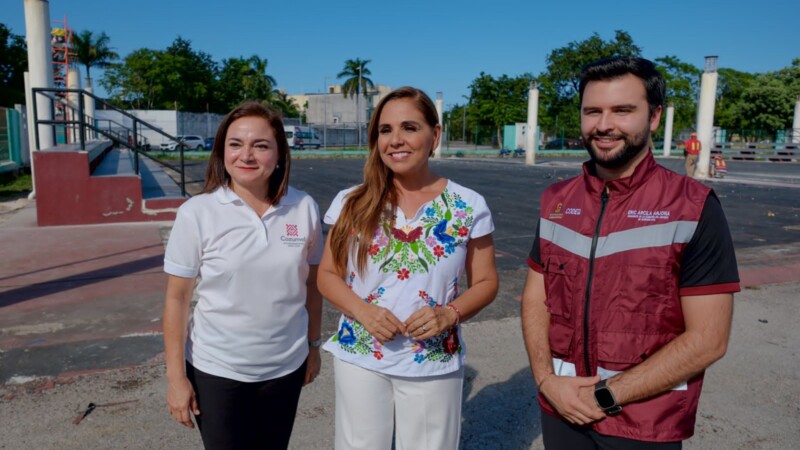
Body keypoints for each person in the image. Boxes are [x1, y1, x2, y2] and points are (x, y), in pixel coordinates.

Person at [521, 57, 740, 449]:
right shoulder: (556, 201)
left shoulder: (692, 206)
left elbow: (709, 338)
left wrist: (606, 395)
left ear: (654, 117)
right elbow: (535, 300)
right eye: (593, 111)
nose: (604, 125)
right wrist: (545, 380)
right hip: (561, 409)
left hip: (643, 422)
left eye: (623, 110)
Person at [317, 86, 499, 450]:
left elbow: (486, 282)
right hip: (361, 355)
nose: (395, 140)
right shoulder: (352, 202)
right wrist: (364, 312)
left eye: (410, 127)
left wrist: (449, 314)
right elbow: (326, 275)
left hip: (433, 359)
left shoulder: (468, 205)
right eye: (385, 130)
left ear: (436, 134)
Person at [162, 101, 324, 449]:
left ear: (279, 153)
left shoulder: (304, 207)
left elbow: (312, 285)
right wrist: (177, 378)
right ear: (222, 151)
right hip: (217, 370)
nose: (246, 155)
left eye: (261, 145)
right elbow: (177, 300)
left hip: (285, 367)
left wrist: (313, 347)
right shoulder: (198, 213)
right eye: (235, 144)